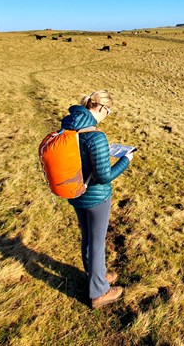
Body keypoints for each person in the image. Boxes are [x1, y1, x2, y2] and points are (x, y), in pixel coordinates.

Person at [60, 90, 133, 308]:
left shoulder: (68, 127)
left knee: (88, 237)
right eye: (108, 112)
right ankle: (99, 292)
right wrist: (126, 160)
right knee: (96, 241)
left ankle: (97, 276)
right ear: (101, 108)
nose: (106, 116)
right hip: (95, 196)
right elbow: (104, 176)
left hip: (75, 191)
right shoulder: (96, 136)